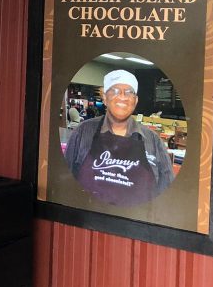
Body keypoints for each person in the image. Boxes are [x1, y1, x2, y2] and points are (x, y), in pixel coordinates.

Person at [64, 69, 174, 206]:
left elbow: (168, 192)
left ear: (135, 100)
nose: (122, 96)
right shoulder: (82, 132)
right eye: (115, 90)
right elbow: (65, 183)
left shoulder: (153, 141)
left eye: (129, 92)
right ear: (105, 98)